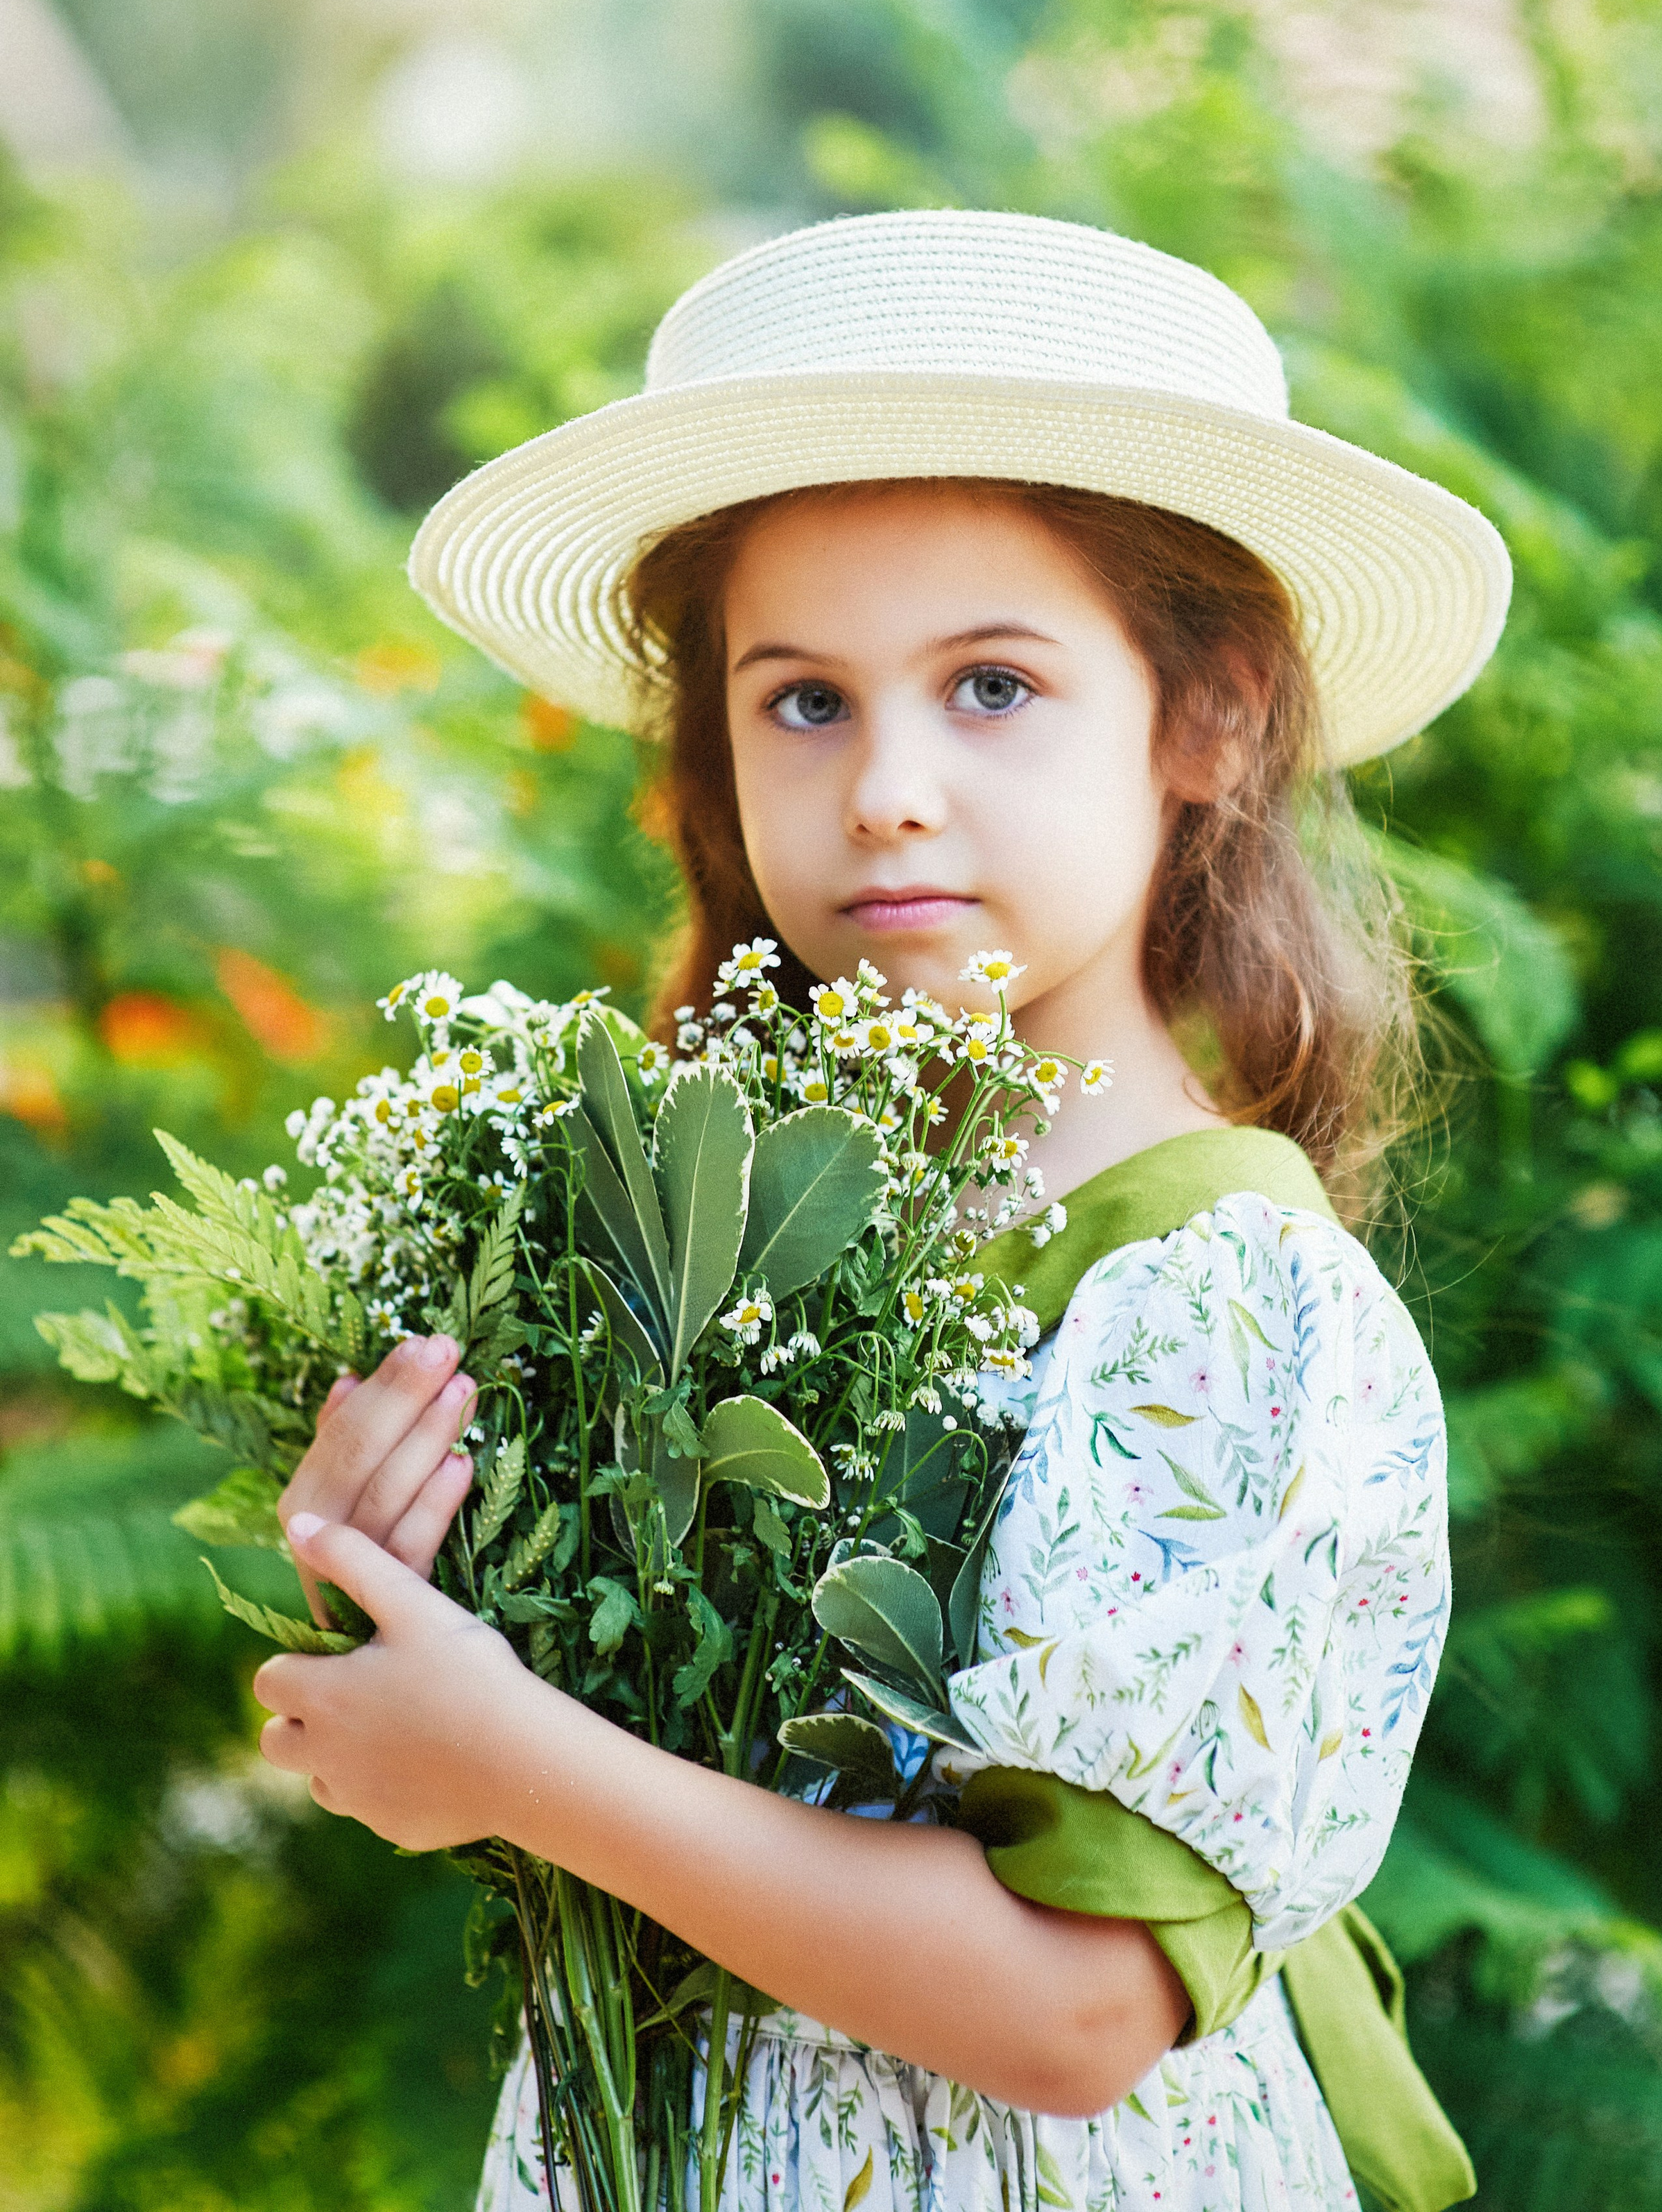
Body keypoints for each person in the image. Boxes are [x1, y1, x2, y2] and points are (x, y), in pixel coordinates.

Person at [254, 210, 1511, 2212]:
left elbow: (1078, 2016)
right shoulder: (696, 1258)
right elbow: (631, 1819)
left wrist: (515, 1760)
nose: (889, 790)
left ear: (1216, 715)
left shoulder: (1221, 1306)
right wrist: (398, 1595)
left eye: (994, 687)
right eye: (805, 701)